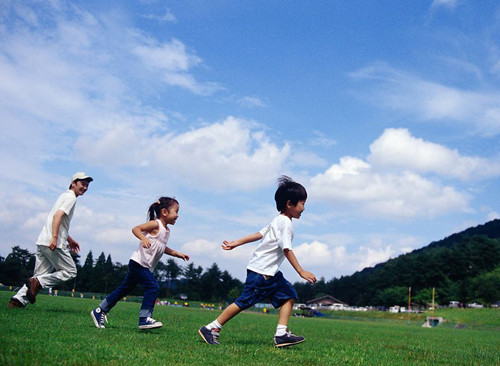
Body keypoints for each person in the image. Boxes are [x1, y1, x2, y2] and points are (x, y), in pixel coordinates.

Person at [198, 176, 317, 348]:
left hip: (270, 273)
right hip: (261, 273)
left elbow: (259, 234)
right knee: (244, 302)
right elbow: (287, 249)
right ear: (290, 204)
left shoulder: (278, 220)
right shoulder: (285, 223)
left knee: (289, 295)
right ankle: (211, 328)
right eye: (302, 203)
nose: (304, 208)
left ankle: (281, 334)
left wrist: (236, 242)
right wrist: (301, 271)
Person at [90, 197, 189, 330]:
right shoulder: (155, 224)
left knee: (123, 290)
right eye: (176, 211)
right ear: (164, 212)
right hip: (138, 263)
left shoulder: (166, 231)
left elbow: (161, 247)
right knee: (153, 286)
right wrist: (143, 238)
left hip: (144, 265)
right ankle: (144, 319)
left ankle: (100, 310)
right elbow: (136, 229)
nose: (177, 215)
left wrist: (177, 254)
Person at [8, 172, 93, 308]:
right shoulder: (71, 198)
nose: (85, 187)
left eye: (87, 185)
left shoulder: (64, 196)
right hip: (54, 242)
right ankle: (36, 282)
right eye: (83, 184)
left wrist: (69, 239)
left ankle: (16, 302)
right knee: (70, 271)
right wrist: (54, 238)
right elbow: (57, 217)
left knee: (40, 276)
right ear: (73, 183)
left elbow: (57, 218)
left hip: (43, 240)